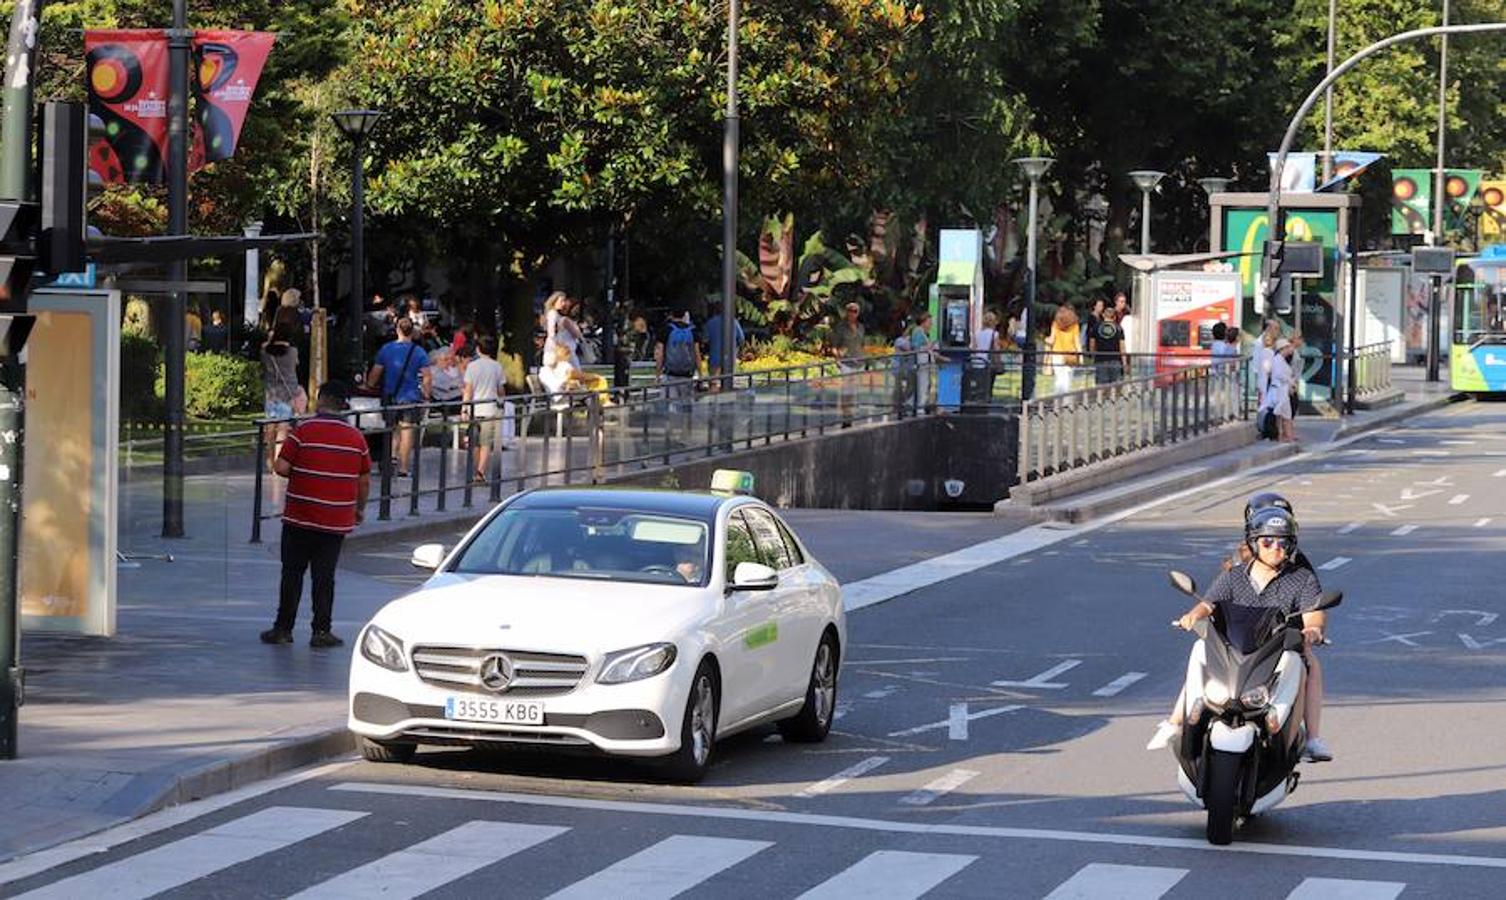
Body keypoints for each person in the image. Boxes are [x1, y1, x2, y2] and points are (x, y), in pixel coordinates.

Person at [1147, 505, 1333, 762]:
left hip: (1277, 649)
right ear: (1254, 543)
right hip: (1234, 649)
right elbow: (1208, 603)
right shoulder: (1234, 576)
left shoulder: (1302, 578)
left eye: (1283, 542)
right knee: (1200, 649)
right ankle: (1175, 722)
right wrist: (1192, 617)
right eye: (1268, 541)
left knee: (1305, 664)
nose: (1276, 548)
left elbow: (1313, 611)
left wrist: (1313, 629)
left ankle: (1311, 739)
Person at [260, 381, 371, 649]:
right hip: (334, 521)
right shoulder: (357, 438)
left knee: (292, 573)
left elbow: (282, 467)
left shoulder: (303, 431)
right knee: (324, 577)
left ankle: (283, 629)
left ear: (319, 401)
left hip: (300, 516)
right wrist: (358, 509)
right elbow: (364, 479)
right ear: (344, 405)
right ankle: (322, 631)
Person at [366, 317, 431, 477]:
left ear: (397, 330)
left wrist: (370, 385)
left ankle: (390, 458)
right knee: (407, 430)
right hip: (410, 397)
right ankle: (403, 467)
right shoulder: (419, 352)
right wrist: (426, 394)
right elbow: (427, 377)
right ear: (413, 332)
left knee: (391, 428)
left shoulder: (386, 349)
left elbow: (375, 373)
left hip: (390, 396)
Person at [260, 307, 304, 473]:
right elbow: (296, 365)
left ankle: (269, 461)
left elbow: (264, 347)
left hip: (271, 394)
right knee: (283, 430)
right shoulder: (293, 352)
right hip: (287, 395)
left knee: (269, 430)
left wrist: (271, 339)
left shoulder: (266, 352)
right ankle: (278, 463)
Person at [462, 334, 506, 484]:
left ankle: (475, 469)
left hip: (475, 408)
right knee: (486, 443)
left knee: (474, 442)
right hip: (490, 409)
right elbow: (500, 390)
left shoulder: (472, 367)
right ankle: (481, 471)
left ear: (478, 349)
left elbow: (468, 389)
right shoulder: (497, 366)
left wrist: (464, 408)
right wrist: (502, 402)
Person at [830, 301, 866, 422]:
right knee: (846, 390)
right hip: (846, 362)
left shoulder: (861, 327)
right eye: (850, 311)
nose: (852, 314)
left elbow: (862, 344)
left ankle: (852, 412)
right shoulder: (840, 328)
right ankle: (846, 415)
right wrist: (837, 359)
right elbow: (834, 346)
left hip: (859, 362)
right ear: (847, 312)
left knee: (854, 389)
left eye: (855, 311)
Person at [656, 308, 700, 400]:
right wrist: (700, 373)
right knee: (686, 404)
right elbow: (697, 353)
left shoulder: (666, 329)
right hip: (687, 374)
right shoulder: (692, 330)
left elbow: (660, 353)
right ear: (684, 315)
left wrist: (658, 373)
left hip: (670, 374)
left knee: (671, 403)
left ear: (672, 315)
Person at [703, 305, 746, 385]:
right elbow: (741, 339)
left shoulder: (710, 323)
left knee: (714, 384)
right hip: (730, 359)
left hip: (714, 359)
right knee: (728, 384)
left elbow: (705, 340)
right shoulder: (734, 322)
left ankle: (713, 395)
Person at [1267, 337, 1297, 443]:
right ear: (1282, 348)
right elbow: (1279, 375)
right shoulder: (1278, 360)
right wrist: (1290, 382)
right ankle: (1286, 437)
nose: (1289, 349)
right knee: (1284, 415)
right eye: (1287, 347)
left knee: (1283, 414)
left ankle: (1285, 436)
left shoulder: (1280, 360)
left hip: (1282, 390)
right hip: (1280, 390)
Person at [1048, 304, 1081, 395]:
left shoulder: (1055, 324)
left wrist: (1046, 340)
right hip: (1070, 354)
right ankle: (1066, 401)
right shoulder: (1074, 325)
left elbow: (1051, 340)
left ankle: (1057, 399)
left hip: (1057, 353)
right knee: (1067, 378)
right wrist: (1080, 355)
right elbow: (1076, 340)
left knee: (1059, 377)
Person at [544, 291, 582, 369]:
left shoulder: (558, 316)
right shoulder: (553, 314)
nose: (563, 303)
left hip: (562, 350)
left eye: (564, 301)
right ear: (554, 302)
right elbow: (552, 333)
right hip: (560, 350)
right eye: (561, 301)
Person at [970, 309, 1002, 401]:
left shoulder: (977, 333)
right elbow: (996, 349)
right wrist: (998, 360)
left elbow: (973, 347)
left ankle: (978, 400)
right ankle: (987, 400)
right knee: (989, 384)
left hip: (977, 361)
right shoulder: (994, 334)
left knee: (979, 384)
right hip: (988, 363)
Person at [1090, 307, 1127, 385]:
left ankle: (1103, 397)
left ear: (1103, 315)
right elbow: (1122, 347)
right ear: (1114, 317)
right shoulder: (1119, 328)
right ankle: (1112, 397)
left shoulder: (1096, 327)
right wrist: (1124, 363)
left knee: (1101, 387)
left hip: (1100, 359)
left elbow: (1092, 344)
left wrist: (1093, 356)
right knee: (1115, 386)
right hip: (1115, 360)